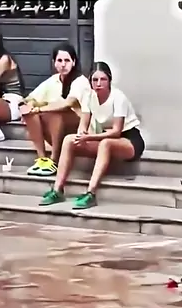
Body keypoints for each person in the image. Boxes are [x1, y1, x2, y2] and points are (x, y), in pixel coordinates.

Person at [38, 62, 145, 209]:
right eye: (95, 80)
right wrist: (81, 134)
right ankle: (57, 190)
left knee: (106, 143)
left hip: (129, 139)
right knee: (69, 140)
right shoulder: (89, 96)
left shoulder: (118, 97)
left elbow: (116, 131)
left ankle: (91, 193)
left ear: (109, 81)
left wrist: (88, 138)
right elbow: (84, 123)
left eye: (103, 79)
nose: (99, 84)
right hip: (104, 137)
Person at [20, 42, 90, 177]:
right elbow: (31, 98)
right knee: (30, 113)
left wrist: (39, 109)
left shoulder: (80, 80)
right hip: (55, 130)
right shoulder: (53, 80)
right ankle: (42, 159)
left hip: (77, 130)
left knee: (55, 114)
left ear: (74, 62)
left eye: (67, 60)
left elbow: (68, 103)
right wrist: (30, 106)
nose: (63, 64)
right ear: (54, 63)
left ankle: (54, 160)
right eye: (59, 60)